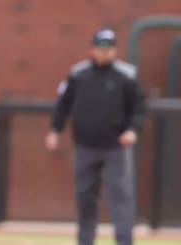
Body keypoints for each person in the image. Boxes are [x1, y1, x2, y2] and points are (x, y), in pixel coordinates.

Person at [45, 28, 145, 245]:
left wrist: (132, 130)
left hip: (116, 146)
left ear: (115, 50)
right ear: (92, 49)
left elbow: (138, 108)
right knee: (85, 196)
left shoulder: (126, 75)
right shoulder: (79, 74)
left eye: (109, 48)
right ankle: (85, 241)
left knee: (120, 197)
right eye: (101, 48)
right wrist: (55, 129)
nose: (105, 53)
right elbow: (64, 104)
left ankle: (124, 241)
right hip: (85, 145)